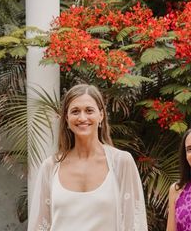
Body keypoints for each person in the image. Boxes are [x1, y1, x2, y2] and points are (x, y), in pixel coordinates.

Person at [28, 83, 148, 231]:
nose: (82, 117)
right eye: (75, 111)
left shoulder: (121, 162)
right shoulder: (50, 166)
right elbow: (39, 226)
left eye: (89, 110)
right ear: (66, 118)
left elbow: (135, 224)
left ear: (101, 115)